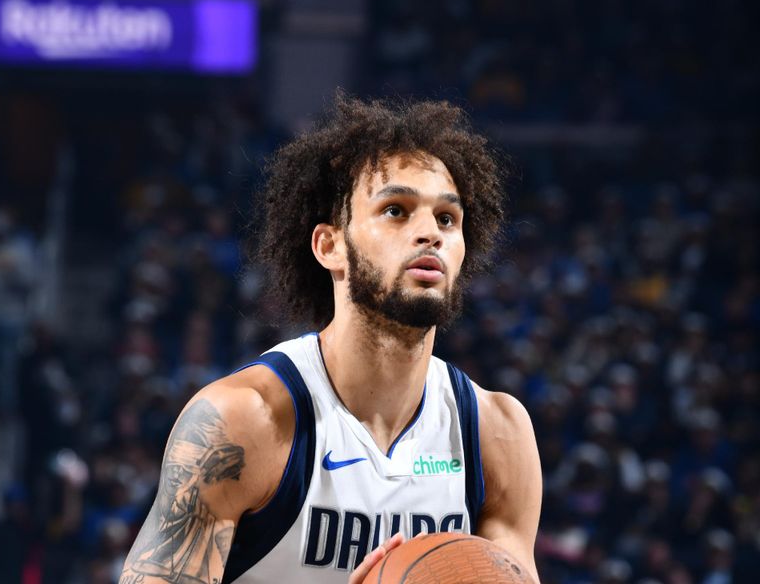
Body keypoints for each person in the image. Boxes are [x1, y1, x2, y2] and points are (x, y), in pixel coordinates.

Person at [119, 94, 542, 584]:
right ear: (330, 245)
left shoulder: (497, 435)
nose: (430, 232)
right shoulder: (243, 422)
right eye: (396, 210)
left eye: (447, 218)